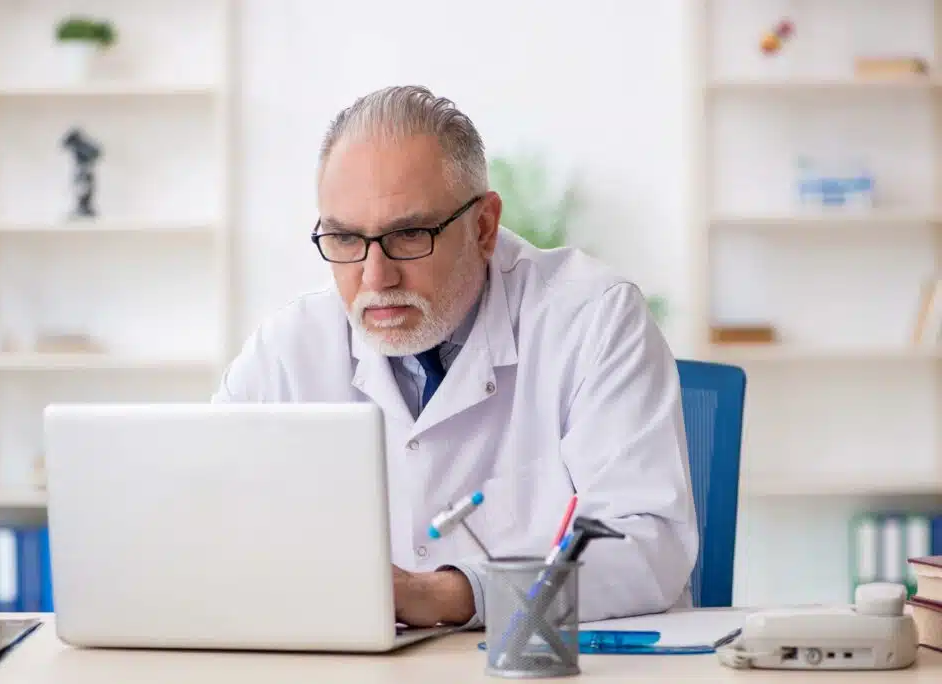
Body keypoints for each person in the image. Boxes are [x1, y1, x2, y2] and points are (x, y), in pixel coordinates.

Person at [213, 85, 698, 629]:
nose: (375, 277)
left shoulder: (591, 319)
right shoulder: (289, 347)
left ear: (484, 227)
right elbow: (202, 518)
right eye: (346, 239)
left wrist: (454, 595)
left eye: (409, 234)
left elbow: (649, 547)